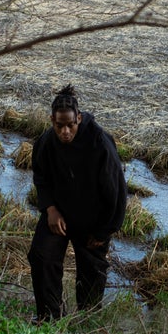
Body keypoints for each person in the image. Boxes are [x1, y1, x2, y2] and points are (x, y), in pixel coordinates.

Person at [28, 84, 127, 321]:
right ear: (52, 120)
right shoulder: (46, 142)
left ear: (79, 119)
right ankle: (49, 319)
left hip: (93, 221)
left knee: (91, 273)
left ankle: (87, 323)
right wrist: (50, 208)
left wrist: (104, 231)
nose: (64, 131)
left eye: (70, 125)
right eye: (59, 125)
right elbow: (41, 177)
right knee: (42, 256)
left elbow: (117, 191)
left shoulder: (99, 143)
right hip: (59, 215)